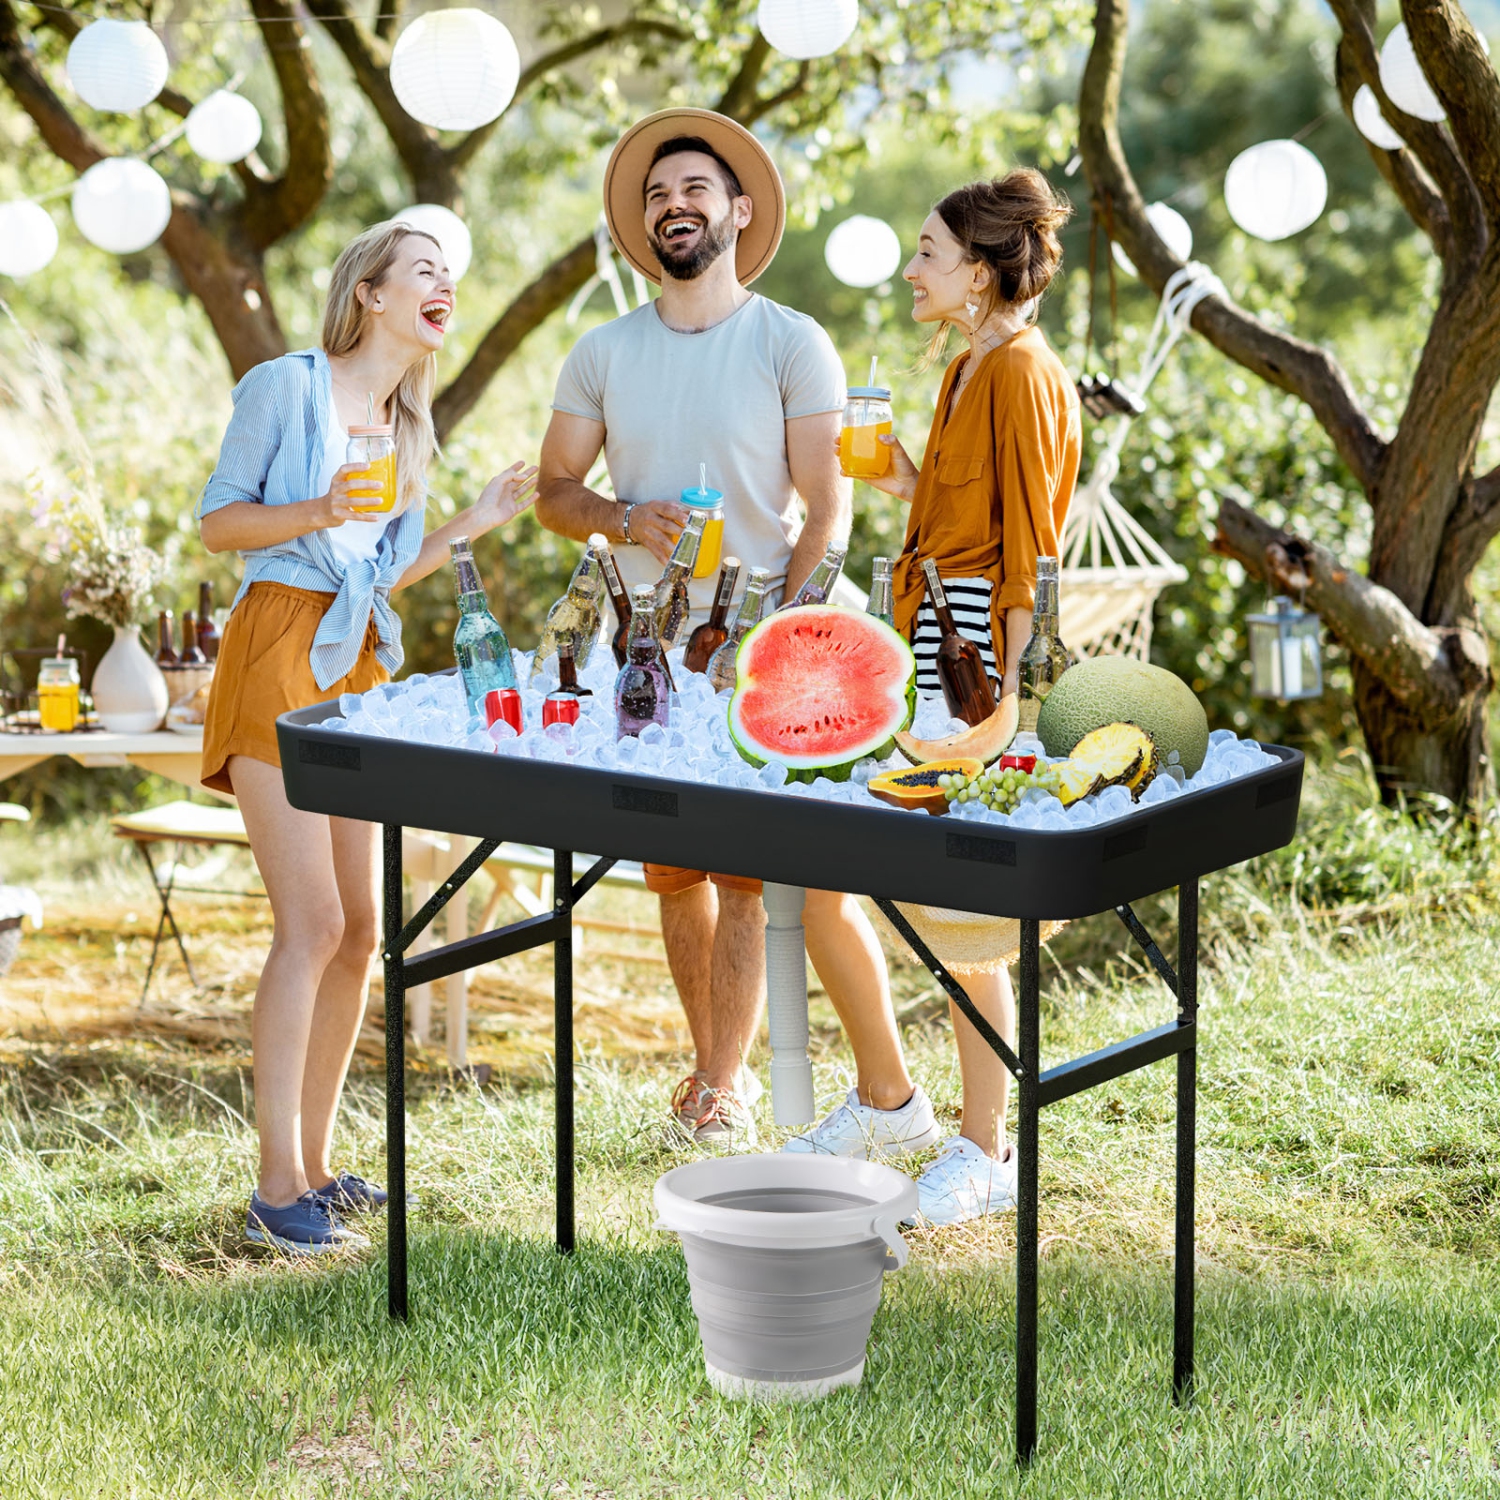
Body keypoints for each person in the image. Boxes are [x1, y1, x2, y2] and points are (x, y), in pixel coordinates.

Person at [536, 108, 926, 1151]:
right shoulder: (603, 351)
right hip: (646, 649)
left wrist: (778, 640)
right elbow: (554, 492)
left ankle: (722, 1086)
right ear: (644, 225)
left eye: (696, 191)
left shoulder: (791, 340)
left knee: (745, 872)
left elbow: (828, 508)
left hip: (762, 644)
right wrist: (622, 517)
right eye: (659, 195)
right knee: (674, 873)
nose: (675, 207)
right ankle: (718, 1072)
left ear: (739, 212)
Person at [197, 222, 537, 1255]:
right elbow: (219, 524)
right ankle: (271, 1190)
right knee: (308, 924)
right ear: (373, 293)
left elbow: (376, 574)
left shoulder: (404, 422)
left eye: (450, 278)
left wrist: (470, 522)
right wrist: (314, 505)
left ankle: (313, 1163)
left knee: (359, 930)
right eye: (426, 271)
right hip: (278, 646)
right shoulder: (286, 386)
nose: (447, 287)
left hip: (356, 667)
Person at [782, 172, 1082, 1228]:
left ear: (982, 268)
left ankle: (985, 1150)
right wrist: (907, 480)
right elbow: (960, 511)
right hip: (930, 642)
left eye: (926, 252)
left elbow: (1033, 551)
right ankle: (892, 1103)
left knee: (966, 921)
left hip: (976, 663)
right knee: (839, 875)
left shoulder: (1022, 374)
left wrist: (1005, 712)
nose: (911, 269)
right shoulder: (968, 367)